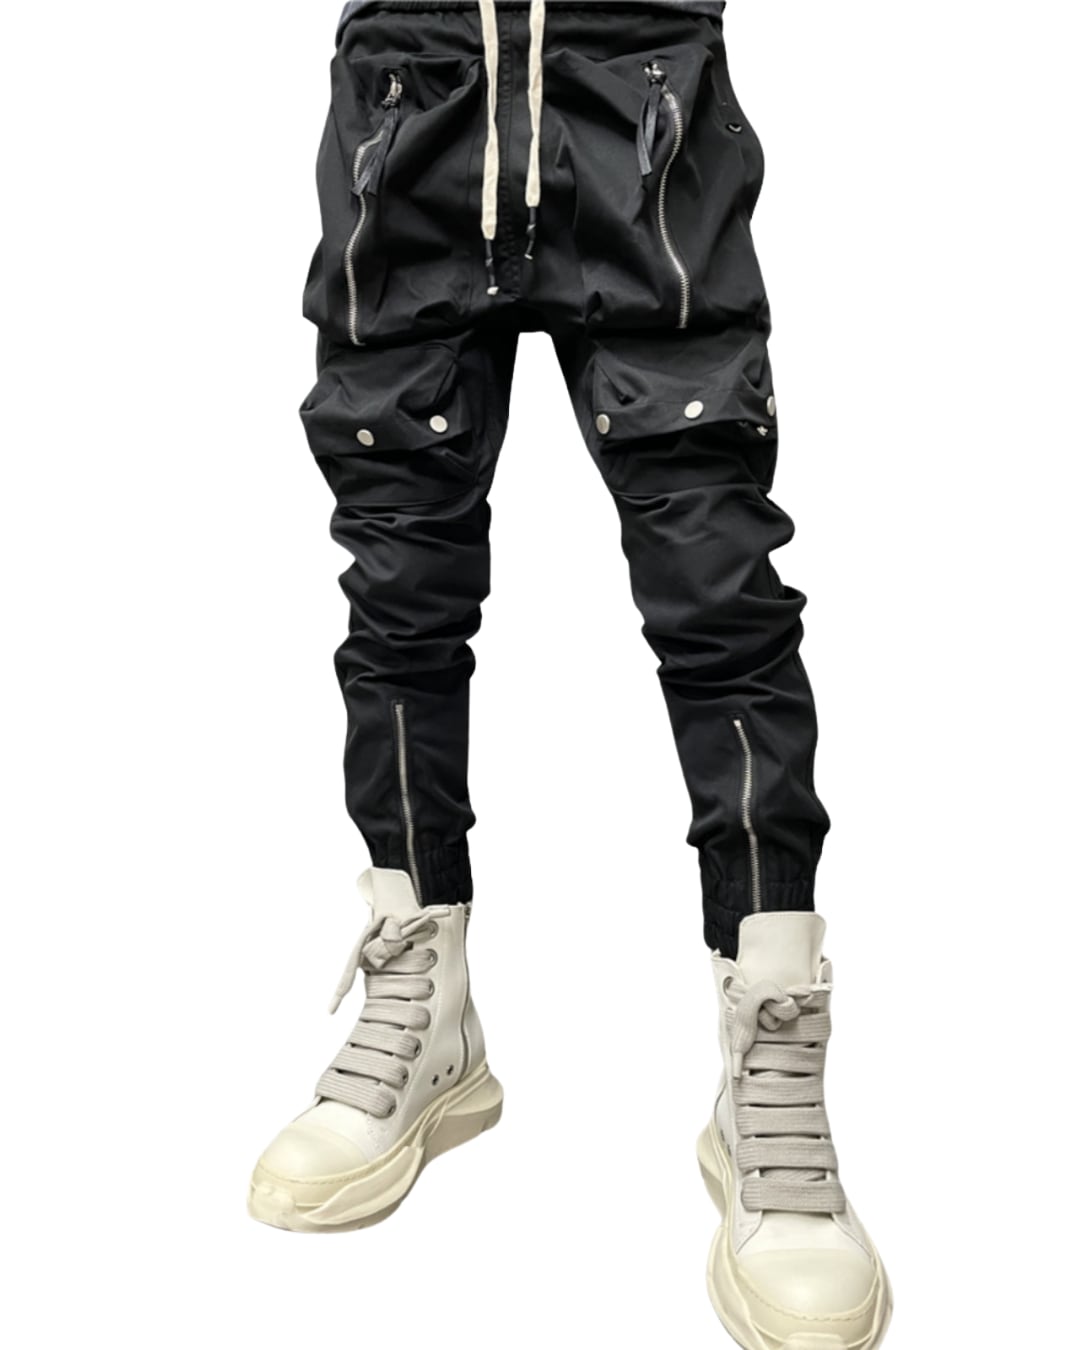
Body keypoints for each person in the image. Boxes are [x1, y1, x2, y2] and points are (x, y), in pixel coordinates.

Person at [248, 3, 892, 1346]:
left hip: (637, 84)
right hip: (412, 96)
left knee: (720, 591)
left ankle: (771, 1033)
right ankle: (425, 998)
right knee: (400, 592)